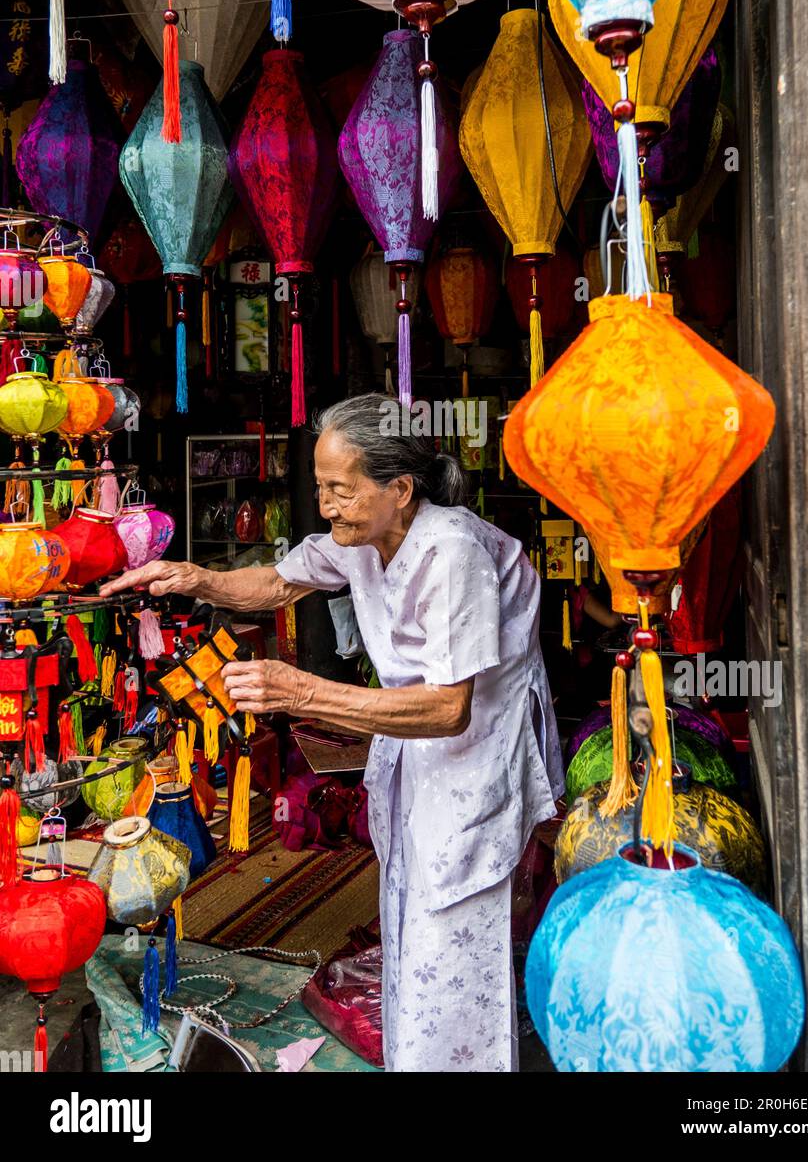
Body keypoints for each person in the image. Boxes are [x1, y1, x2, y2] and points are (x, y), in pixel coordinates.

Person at [102, 394, 564, 1072]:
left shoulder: (452, 551)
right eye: (321, 488)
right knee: (408, 906)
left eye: (340, 491)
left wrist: (304, 691)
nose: (325, 506)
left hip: (475, 757)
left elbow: (448, 709)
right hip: (420, 753)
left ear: (399, 490)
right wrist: (193, 578)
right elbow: (279, 582)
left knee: (453, 927)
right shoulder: (365, 540)